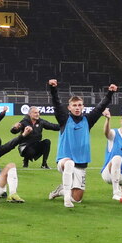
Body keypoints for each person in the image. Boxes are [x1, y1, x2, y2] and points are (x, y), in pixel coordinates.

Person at [46, 79, 117, 208]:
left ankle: (60, 191)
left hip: (81, 162)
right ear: (69, 107)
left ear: (83, 106)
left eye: (79, 105)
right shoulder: (64, 119)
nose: (77, 108)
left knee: (77, 199)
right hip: (64, 159)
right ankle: (66, 198)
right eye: (74, 105)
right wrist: (53, 89)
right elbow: (56, 104)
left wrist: (110, 93)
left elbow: (100, 107)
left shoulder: (87, 120)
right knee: (68, 163)